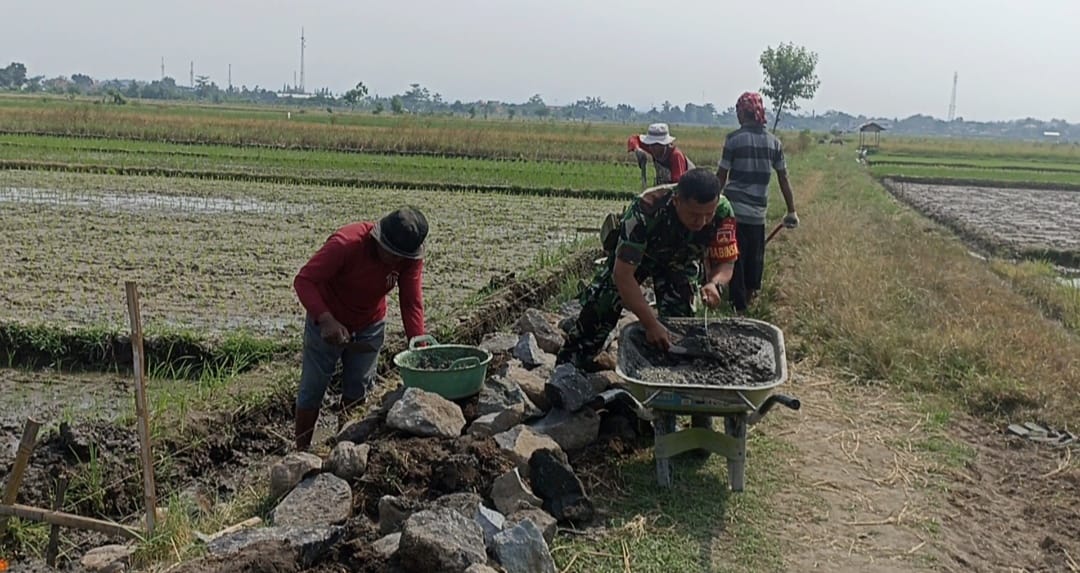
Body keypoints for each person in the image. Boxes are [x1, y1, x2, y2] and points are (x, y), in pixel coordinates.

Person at [558, 168, 738, 370]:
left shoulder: (723, 211)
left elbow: (727, 262)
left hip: (680, 263)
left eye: (708, 215)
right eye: (694, 215)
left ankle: (669, 367)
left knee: (680, 323)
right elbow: (623, 274)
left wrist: (715, 284)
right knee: (604, 301)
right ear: (677, 201)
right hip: (640, 258)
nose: (702, 222)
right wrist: (650, 324)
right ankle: (572, 362)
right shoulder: (645, 208)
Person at [291, 207, 429, 451]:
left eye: (399, 256)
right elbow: (304, 281)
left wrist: (419, 347)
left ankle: (344, 448)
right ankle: (301, 451)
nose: (394, 260)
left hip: (370, 324)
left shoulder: (409, 258)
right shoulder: (346, 243)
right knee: (312, 389)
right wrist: (326, 319)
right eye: (389, 252)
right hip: (327, 319)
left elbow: (411, 302)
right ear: (378, 238)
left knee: (358, 388)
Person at [716, 92, 799, 314]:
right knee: (754, 260)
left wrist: (712, 202)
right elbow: (783, 178)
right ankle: (747, 303)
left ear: (744, 113)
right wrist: (791, 210)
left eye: (738, 112)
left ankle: (738, 307)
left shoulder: (733, 139)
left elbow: (721, 175)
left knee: (733, 257)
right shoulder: (774, 143)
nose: (737, 116)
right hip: (757, 215)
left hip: (732, 212)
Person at [627, 123, 695, 188]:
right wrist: (637, 149)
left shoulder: (676, 156)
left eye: (655, 145)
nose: (651, 148)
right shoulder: (652, 148)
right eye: (650, 144)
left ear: (664, 144)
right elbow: (633, 139)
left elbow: (677, 185)